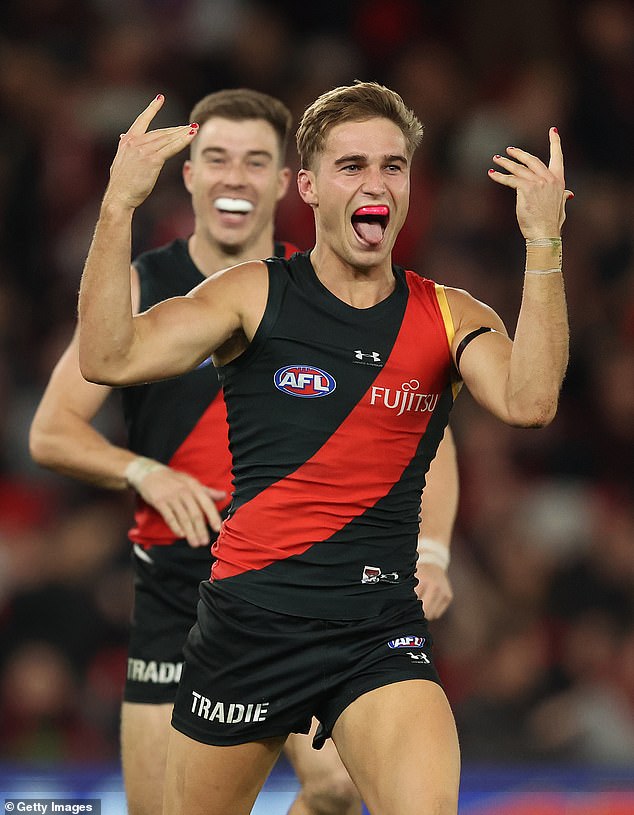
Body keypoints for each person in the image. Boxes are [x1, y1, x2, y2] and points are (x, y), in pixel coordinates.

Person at [76, 81, 569, 815]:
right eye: (352, 166)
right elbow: (108, 358)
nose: (376, 183)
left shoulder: (448, 313)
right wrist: (118, 207)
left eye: (392, 166)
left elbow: (530, 402)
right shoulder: (251, 292)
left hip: (378, 632)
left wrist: (544, 241)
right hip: (250, 623)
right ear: (306, 186)